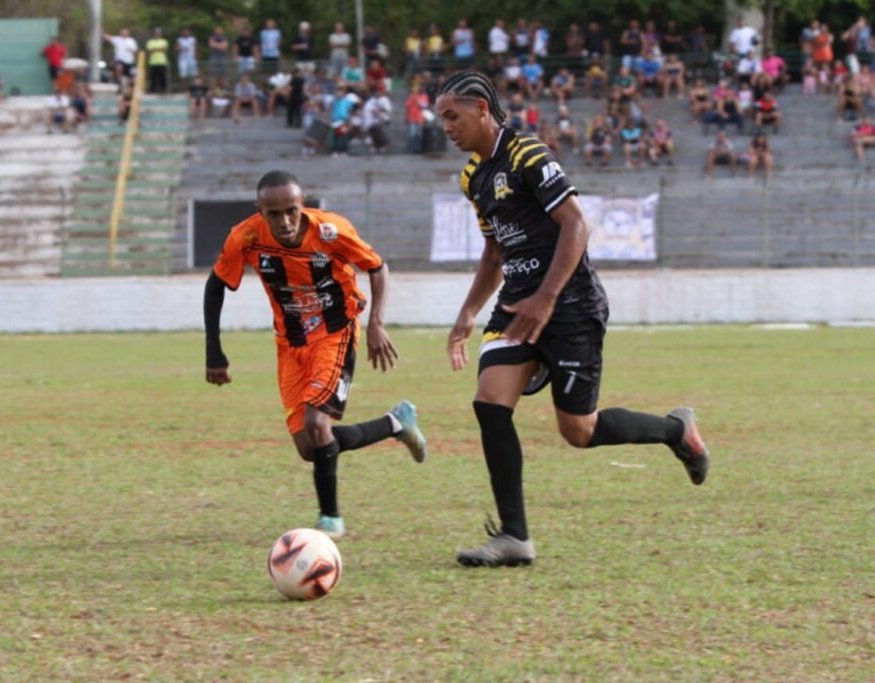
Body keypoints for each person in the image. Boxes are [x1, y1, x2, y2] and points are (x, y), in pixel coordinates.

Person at [434, 71, 710, 568]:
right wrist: (467, 314)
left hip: (571, 304)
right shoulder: (472, 177)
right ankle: (515, 537)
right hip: (518, 303)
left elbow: (578, 223)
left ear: (480, 109)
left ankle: (676, 431)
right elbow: (493, 253)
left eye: (452, 116)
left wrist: (547, 298)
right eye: (441, 119)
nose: (446, 128)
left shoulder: (528, 155)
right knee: (490, 402)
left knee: (578, 430)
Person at [204, 170, 428, 539]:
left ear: (302, 204)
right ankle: (396, 424)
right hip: (289, 345)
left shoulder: (331, 231)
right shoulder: (244, 237)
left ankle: (330, 520)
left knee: (317, 424)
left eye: (291, 210)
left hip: (335, 332)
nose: (285, 221)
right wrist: (214, 349)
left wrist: (376, 324)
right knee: (311, 448)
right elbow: (216, 284)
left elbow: (377, 267)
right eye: (273, 214)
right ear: (259, 211)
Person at [146, 28, 170, 94]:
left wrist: (155, 49)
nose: (157, 35)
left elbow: (165, 49)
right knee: (153, 77)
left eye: (159, 33)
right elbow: (150, 50)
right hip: (153, 62)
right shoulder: (150, 41)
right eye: (156, 33)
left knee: (162, 77)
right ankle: (152, 90)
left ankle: (163, 90)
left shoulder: (164, 41)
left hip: (162, 62)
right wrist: (160, 49)